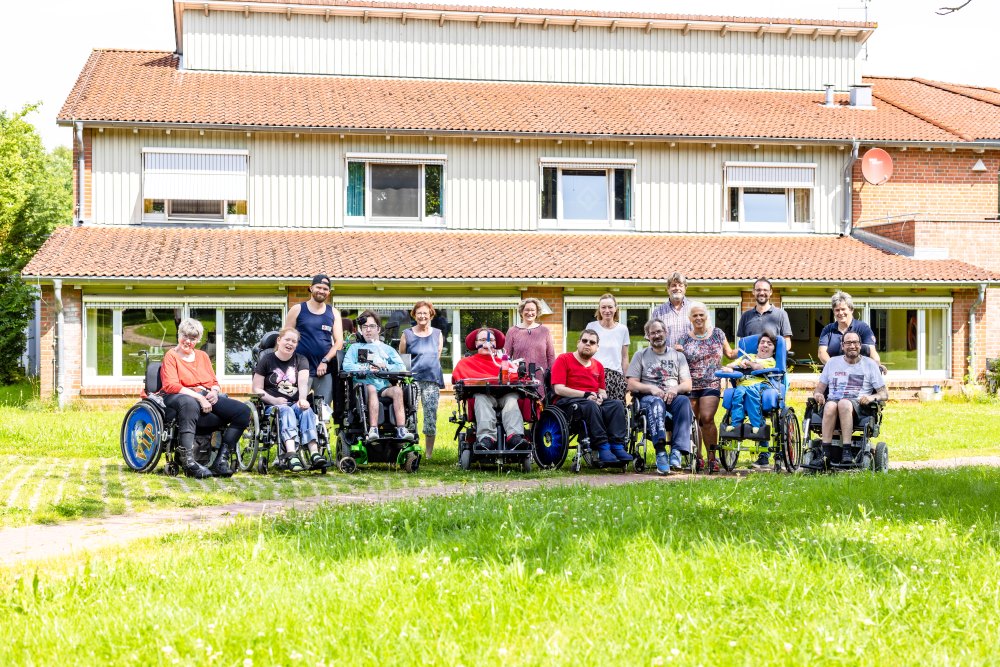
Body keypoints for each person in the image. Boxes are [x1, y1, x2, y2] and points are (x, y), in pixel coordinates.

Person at [160, 318, 251, 479]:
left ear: (198, 339)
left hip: (204, 396)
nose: (188, 341)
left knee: (243, 411)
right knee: (188, 403)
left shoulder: (202, 356)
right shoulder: (171, 356)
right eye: (185, 336)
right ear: (179, 334)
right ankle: (188, 461)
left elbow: (213, 382)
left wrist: (214, 392)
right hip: (177, 397)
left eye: (193, 338)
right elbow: (171, 385)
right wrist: (199, 398)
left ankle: (221, 461)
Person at [807, 331, 889, 468]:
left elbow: (884, 394)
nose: (852, 346)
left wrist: (871, 397)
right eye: (848, 343)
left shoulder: (870, 364)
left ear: (860, 345)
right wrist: (818, 395)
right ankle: (825, 454)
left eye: (855, 342)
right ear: (842, 346)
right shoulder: (832, 363)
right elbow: (819, 389)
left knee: (844, 403)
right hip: (833, 403)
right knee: (830, 405)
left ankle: (847, 451)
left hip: (859, 406)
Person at [551, 330, 632, 464]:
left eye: (592, 342)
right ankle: (602, 447)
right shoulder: (564, 359)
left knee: (616, 404)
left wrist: (600, 397)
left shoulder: (598, 366)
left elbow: (603, 391)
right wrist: (585, 394)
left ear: (597, 347)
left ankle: (617, 446)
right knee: (590, 405)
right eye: (584, 341)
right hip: (568, 402)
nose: (587, 344)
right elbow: (558, 389)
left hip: (592, 401)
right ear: (578, 343)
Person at [736, 277, 792, 468]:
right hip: (751, 373)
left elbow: (786, 343)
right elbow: (742, 346)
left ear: (770, 292)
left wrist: (771, 362)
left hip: (772, 372)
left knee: (772, 406)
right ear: (753, 293)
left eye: (765, 290)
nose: (761, 293)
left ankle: (774, 454)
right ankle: (757, 452)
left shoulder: (780, 315)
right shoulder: (746, 317)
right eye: (758, 290)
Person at [251, 327, 325, 472]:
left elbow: (303, 382)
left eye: (294, 341)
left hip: (295, 403)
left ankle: (314, 453)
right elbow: (256, 388)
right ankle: (291, 454)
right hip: (273, 406)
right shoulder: (266, 360)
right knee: (285, 410)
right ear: (279, 340)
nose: (290, 343)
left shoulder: (301, 360)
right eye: (287, 339)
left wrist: (302, 399)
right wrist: (274, 400)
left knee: (306, 409)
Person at [676, 301, 737, 474]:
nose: (698, 318)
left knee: (707, 418)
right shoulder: (684, 338)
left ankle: (712, 457)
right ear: (690, 318)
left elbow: (730, 353)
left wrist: (744, 355)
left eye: (701, 314)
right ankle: (698, 457)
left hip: (711, 382)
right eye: (694, 315)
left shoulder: (717, 334)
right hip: (690, 383)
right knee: (694, 421)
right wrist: (676, 351)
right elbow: (677, 359)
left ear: (706, 316)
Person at [627, 320, 694, 475]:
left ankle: (677, 451)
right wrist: (651, 388)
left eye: (659, 331)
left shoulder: (678, 356)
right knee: (656, 402)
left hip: (672, 398)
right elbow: (631, 384)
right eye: (653, 333)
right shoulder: (640, 355)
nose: (657, 335)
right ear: (647, 336)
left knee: (684, 401)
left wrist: (675, 389)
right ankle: (661, 451)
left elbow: (688, 384)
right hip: (648, 399)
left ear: (666, 333)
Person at [451, 327, 529, 450]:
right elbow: (458, 378)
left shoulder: (505, 363)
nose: (487, 343)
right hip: (483, 395)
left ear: (496, 344)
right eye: (482, 339)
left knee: (512, 400)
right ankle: (487, 438)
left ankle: (515, 437)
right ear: (476, 343)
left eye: (491, 340)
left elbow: (521, 379)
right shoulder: (466, 363)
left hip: (505, 395)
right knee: (481, 399)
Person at [342, 310, 414, 442]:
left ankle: (401, 429)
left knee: (397, 390)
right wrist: (366, 368)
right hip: (363, 388)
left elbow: (401, 367)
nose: (368, 330)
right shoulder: (355, 348)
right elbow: (347, 366)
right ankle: (373, 429)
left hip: (384, 387)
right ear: (361, 329)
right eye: (365, 327)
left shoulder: (387, 349)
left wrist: (384, 366)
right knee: (371, 389)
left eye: (372, 326)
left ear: (378, 329)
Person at [283, 274, 343, 407]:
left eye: (325, 289)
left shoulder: (333, 313)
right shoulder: (297, 309)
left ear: (329, 292)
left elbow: (339, 342)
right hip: (299, 368)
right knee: (297, 406)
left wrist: (325, 361)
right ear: (311, 288)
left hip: (324, 370)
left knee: (323, 410)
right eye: (318, 287)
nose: (321, 291)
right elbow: (286, 338)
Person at [721, 331, 777, 470]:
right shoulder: (749, 356)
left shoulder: (770, 360)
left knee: (751, 392)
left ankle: (757, 425)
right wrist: (729, 369)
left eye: (769, 344)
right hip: (743, 386)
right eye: (762, 342)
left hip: (760, 386)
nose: (765, 345)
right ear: (757, 346)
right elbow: (732, 365)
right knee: (738, 393)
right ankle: (736, 425)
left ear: (773, 349)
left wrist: (750, 364)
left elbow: (758, 367)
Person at [399, 301, 445, 459]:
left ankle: (428, 454)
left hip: (431, 381)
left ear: (431, 314)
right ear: (414, 315)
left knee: (430, 417)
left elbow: (436, 358)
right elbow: (402, 360)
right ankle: (411, 451)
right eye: (419, 313)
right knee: (410, 416)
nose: (422, 316)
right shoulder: (407, 334)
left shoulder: (438, 334)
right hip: (413, 381)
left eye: (425, 313)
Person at [818, 290, 884, 368]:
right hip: (834, 373)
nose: (840, 313)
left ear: (851, 310)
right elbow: (821, 353)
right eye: (837, 310)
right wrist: (835, 367)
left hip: (858, 373)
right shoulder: (828, 330)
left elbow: (871, 351)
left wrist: (877, 365)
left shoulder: (863, 328)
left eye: (843, 309)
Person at [588, 293, 631, 401]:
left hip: (616, 377)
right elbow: (585, 353)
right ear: (599, 309)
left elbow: (625, 357)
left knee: (615, 411)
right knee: (595, 410)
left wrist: (627, 380)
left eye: (610, 307)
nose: (607, 310)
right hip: (594, 376)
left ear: (615, 309)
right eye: (603, 307)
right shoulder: (591, 326)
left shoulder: (623, 329)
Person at [504, 297, 556, 378]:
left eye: (532, 310)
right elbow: (506, 356)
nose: (530, 312)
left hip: (541, 376)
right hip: (519, 377)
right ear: (521, 311)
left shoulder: (545, 331)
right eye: (527, 310)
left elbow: (551, 356)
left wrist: (552, 375)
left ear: (537, 312)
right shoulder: (512, 331)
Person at [650, 272, 693, 349]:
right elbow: (652, 338)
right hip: (666, 358)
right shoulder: (658, 312)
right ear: (668, 289)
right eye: (673, 285)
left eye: (680, 285)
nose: (677, 288)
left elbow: (704, 335)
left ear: (685, 289)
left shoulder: (695, 309)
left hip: (691, 359)